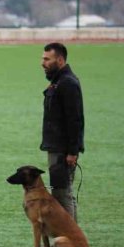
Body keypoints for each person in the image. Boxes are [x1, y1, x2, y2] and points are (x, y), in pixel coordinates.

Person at [40, 42, 84, 222]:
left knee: (62, 195)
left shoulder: (67, 83)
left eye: (46, 59)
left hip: (62, 150)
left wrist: (72, 152)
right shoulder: (59, 82)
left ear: (59, 60)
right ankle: (70, 242)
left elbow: (75, 120)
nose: (42, 63)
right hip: (58, 148)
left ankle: (68, 245)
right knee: (64, 194)